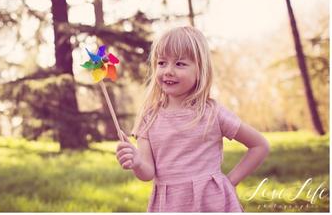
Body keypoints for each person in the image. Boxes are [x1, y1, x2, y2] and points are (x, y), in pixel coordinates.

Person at [115, 26, 270, 212]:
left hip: (213, 204)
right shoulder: (148, 118)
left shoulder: (212, 112)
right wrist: (137, 162)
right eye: (162, 63)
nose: (168, 71)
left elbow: (259, 145)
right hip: (170, 206)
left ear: (200, 70)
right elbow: (148, 173)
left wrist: (229, 182)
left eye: (180, 64)